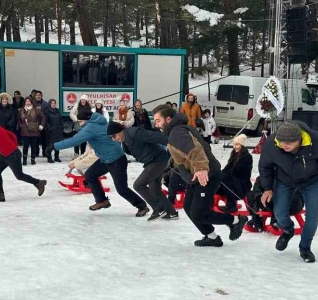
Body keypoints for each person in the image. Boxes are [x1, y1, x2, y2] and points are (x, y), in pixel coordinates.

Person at [153, 105, 247, 247]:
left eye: (158, 120)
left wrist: (202, 168)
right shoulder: (176, 131)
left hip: (206, 174)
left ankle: (236, 221)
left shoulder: (177, 132)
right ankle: (212, 237)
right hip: (196, 175)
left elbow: (195, 150)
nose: (156, 124)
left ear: (168, 119)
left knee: (198, 213)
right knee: (188, 206)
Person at [258, 121, 318, 263]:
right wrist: (267, 188)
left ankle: (305, 248)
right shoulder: (272, 143)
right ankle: (288, 230)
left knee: (312, 218)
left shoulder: (316, 141)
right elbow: (265, 166)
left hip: (311, 180)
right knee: (279, 213)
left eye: (288, 143)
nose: (284, 145)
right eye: (282, 142)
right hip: (285, 180)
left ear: (299, 139)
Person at [48, 110, 148, 216]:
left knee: (121, 189)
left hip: (116, 159)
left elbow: (73, 141)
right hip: (105, 159)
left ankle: (142, 206)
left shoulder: (90, 127)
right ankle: (102, 201)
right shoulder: (99, 122)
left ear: (85, 120)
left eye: (80, 121)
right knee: (90, 175)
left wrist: (54, 146)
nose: (79, 124)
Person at [108, 121, 179, 221]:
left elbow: (155, 136)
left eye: (114, 136)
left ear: (120, 131)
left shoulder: (134, 133)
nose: (114, 139)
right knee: (154, 188)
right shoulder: (125, 140)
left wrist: (175, 142)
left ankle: (158, 209)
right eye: (111, 137)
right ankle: (171, 212)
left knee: (138, 185)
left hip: (157, 160)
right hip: (153, 160)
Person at [218, 134, 253, 212]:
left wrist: (226, 174)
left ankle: (232, 205)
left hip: (242, 184)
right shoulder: (234, 155)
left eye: (237, 144)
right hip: (233, 181)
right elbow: (227, 168)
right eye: (234, 144)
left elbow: (238, 171)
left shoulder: (247, 157)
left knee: (225, 178)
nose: (235, 146)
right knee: (221, 176)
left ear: (242, 145)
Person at [19, 97, 46, 166]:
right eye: (26, 101)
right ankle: (24, 160)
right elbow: (18, 119)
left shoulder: (36, 110)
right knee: (25, 146)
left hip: (34, 131)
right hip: (25, 132)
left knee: (34, 146)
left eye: (29, 101)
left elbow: (43, 117)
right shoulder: (21, 110)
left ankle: (33, 160)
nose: (28, 103)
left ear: (31, 102)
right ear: (24, 102)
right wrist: (21, 125)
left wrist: (41, 125)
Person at [44, 99, 64, 163]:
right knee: (50, 145)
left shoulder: (57, 110)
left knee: (57, 144)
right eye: (52, 103)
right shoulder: (47, 111)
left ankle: (56, 157)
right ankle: (49, 158)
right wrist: (49, 128)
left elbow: (61, 119)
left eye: (54, 103)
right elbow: (45, 121)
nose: (53, 104)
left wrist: (62, 126)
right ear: (50, 104)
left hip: (58, 130)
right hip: (50, 132)